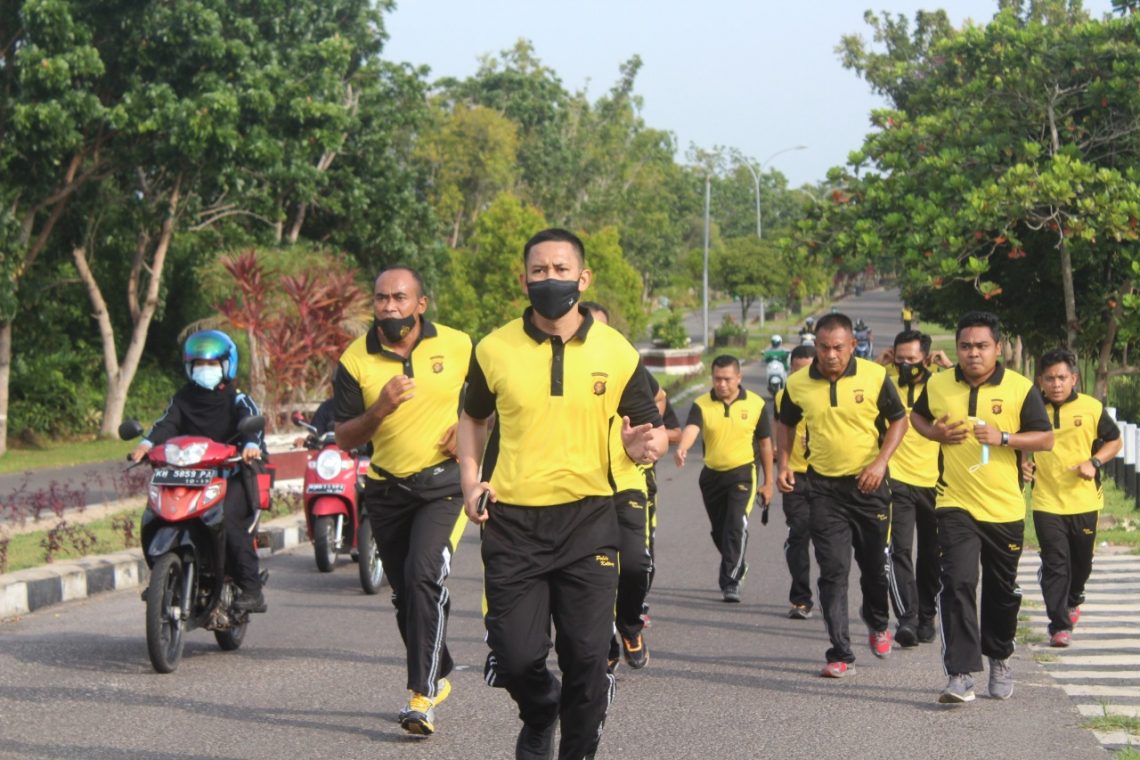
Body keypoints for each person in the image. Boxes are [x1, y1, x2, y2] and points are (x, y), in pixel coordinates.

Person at [457, 228, 665, 760]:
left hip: (588, 521)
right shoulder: (494, 348)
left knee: (587, 659)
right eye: (540, 271)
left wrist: (647, 443)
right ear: (524, 278)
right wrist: (470, 481)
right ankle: (539, 707)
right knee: (515, 657)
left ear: (583, 277)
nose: (550, 279)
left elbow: (649, 426)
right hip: (512, 523)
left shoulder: (615, 351)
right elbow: (473, 417)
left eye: (561, 269)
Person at [333, 265, 473, 736]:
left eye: (399, 298)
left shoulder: (458, 345)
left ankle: (422, 697)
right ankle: (439, 664)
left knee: (422, 575)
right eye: (381, 299)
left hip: (444, 486)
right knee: (405, 596)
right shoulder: (355, 360)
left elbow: (489, 403)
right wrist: (382, 407)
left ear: (420, 304)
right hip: (387, 487)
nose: (389, 307)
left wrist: (472, 432)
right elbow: (345, 437)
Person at [910, 311, 1053, 704]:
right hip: (955, 502)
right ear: (956, 349)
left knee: (1001, 591)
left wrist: (1003, 436)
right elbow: (918, 418)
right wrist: (935, 433)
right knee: (957, 582)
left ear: (998, 348)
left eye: (981, 346)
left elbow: (1045, 439)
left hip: (1005, 508)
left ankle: (1001, 656)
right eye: (966, 346)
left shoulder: (1020, 387)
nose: (973, 353)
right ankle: (959, 674)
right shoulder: (938, 384)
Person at [776, 313, 908, 678]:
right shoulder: (798, 383)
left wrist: (881, 463)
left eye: (838, 347)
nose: (830, 355)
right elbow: (785, 421)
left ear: (853, 345)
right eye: (823, 347)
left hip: (868, 486)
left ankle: (879, 623)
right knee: (833, 571)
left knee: (873, 568)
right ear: (814, 345)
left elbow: (900, 420)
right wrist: (783, 463)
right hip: (824, 490)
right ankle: (840, 651)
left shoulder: (875, 376)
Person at [130, 330, 267, 613]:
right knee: (156, 515)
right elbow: (166, 424)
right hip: (185, 475)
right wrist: (145, 445)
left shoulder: (238, 400)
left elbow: (253, 426)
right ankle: (162, 576)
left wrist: (251, 445)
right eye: (198, 365)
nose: (205, 370)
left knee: (229, 522)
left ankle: (251, 589)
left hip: (229, 474)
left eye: (212, 364)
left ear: (226, 366)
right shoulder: (183, 398)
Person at [1024, 349, 1121, 648]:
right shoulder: (1031, 408)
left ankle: (1075, 596)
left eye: (1062, 378)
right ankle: (1059, 625)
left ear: (1074, 378)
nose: (1056, 384)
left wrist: (1094, 463)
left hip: (1084, 501)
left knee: (1081, 564)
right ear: (1040, 380)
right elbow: (1019, 439)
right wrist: (1023, 461)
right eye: (1050, 378)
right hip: (1046, 501)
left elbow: (1115, 440)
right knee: (1056, 563)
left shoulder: (1091, 408)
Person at [581, 300, 657, 670]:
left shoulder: (625, 365)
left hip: (626, 482)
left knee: (634, 565)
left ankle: (629, 625)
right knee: (594, 573)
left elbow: (656, 418)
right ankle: (604, 642)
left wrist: (647, 446)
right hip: (579, 488)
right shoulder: (559, 374)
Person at [674, 355, 774, 602]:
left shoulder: (755, 404)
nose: (722, 384)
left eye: (727, 379)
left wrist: (769, 482)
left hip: (743, 472)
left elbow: (765, 444)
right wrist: (683, 447)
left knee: (735, 525)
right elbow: (692, 428)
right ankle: (738, 563)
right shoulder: (702, 404)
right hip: (711, 476)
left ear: (738, 378)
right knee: (720, 531)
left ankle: (730, 581)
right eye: (717, 379)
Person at [884, 330, 942, 647]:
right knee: (900, 550)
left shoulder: (940, 386)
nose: (906, 364)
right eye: (900, 358)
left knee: (932, 555)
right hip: (897, 479)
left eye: (913, 359)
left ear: (926, 357)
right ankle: (907, 618)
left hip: (936, 482)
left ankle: (926, 615)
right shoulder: (884, 382)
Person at [774, 344, 816, 619]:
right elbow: (781, 431)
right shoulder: (782, 396)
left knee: (830, 542)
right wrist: (782, 466)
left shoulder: (829, 393)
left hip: (830, 476)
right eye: (795, 371)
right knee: (799, 533)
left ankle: (833, 592)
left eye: (807, 370)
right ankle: (801, 598)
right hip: (796, 475)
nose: (801, 377)